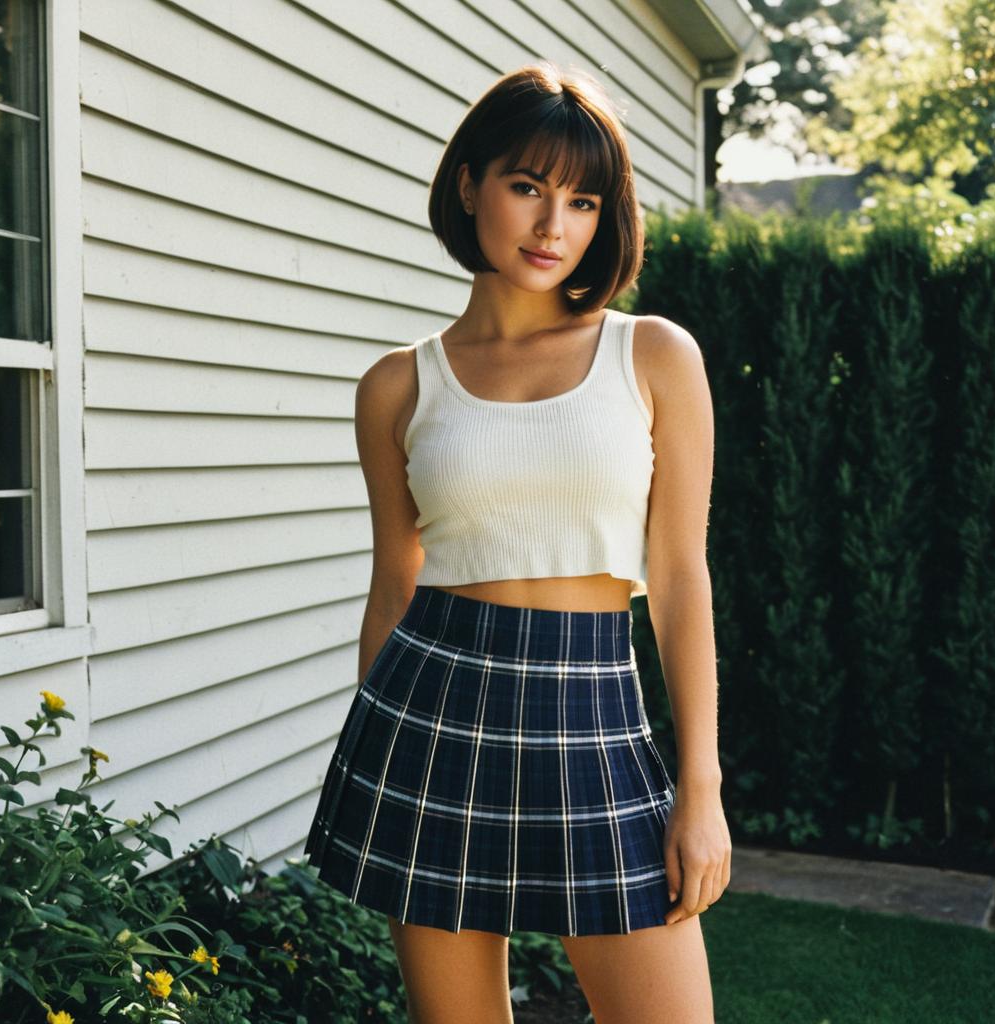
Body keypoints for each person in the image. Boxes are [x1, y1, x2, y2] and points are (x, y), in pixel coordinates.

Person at [303, 60, 730, 1024]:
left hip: (594, 709)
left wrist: (698, 787)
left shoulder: (653, 353)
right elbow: (393, 586)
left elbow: (678, 576)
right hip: (432, 710)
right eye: (527, 186)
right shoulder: (396, 387)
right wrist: (377, 754)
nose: (552, 227)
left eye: (582, 200)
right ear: (469, 183)